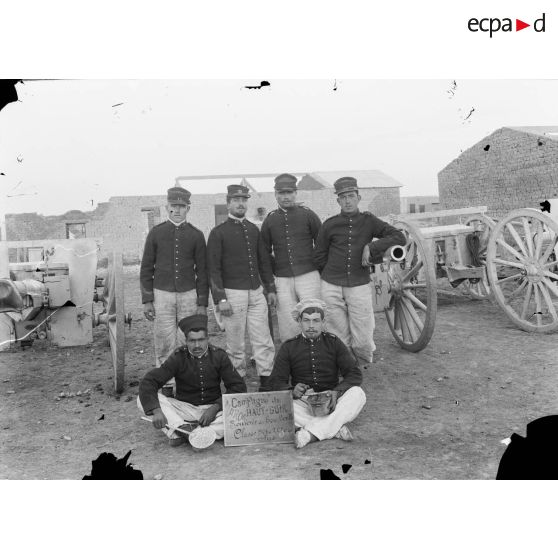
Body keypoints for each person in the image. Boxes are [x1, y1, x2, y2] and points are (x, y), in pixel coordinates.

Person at [313, 176, 406, 367]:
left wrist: (371, 247)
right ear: (338, 200)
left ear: (358, 197)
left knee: (363, 332)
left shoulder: (369, 221)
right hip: (331, 284)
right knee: (337, 330)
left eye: (351, 196)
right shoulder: (329, 224)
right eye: (343, 197)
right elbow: (319, 256)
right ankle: (345, 366)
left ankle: (362, 364)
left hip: (359, 283)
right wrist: (329, 277)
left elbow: (399, 237)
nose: (347, 200)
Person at [267, 298, 366, 449]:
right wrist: (292, 391)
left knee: (358, 394)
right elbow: (275, 381)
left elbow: (354, 374)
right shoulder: (289, 347)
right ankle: (334, 428)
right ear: (299, 321)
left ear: (323, 322)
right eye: (306, 320)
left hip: (332, 400)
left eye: (316, 321)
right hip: (303, 402)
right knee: (278, 409)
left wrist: (337, 392)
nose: (311, 326)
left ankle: (310, 434)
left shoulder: (334, 342)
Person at [207, 184, 277, 390]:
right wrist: (221, 299)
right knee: (235, 343)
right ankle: (237, 384)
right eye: (236, 200)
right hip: (232, 293)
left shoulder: (253, 229)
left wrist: (270, 289)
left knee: (263, 339)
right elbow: (213, 269)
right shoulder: (218, 232)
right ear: (228, 204)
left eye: (244, 200)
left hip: (256, 291)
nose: (240, 204)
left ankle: (267, 380)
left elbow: (263, 262)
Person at [138, 314, 246, 446]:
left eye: (201, 340)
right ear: (186, 341)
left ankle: (181, 433)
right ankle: (186, 429)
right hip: (185, 409)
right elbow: (150, 381)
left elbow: (238, 387)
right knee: (143, 400)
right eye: (192, 341)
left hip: (214, 411)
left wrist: (215, 407)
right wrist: (156, 410)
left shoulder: (219, 356)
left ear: (208, 339)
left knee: (241, 410)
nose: (197, 345)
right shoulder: (178, 356)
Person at [140, 186, 209, 370]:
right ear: (166, 207)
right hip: (162, 294)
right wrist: (147, 300)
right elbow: (146, 268)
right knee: (163, 338)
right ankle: (167, 384)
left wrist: (202, 303)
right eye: (173, 206)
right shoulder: (156, 233)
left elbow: (203, 271)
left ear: (188, 208)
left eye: (182, 206)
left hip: (188, 294)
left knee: (187, 337)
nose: (177, 210)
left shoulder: (196, 235)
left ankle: (187, 378)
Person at [260, 173, 322, 342]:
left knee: (313, 315)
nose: (285, 197)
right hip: (283, 278)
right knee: (287, 319)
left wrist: (317, 268)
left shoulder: (308, 215)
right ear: (275, 194)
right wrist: (271, 283)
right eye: (281, 193)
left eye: (289, 192)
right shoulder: (270, 220)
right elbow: (264, 254)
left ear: (295, 193)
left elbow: (322, 244)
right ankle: (294, 354)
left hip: (309, 275)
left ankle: (317, 351)